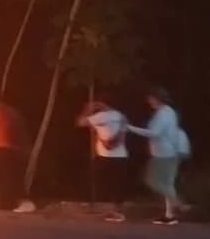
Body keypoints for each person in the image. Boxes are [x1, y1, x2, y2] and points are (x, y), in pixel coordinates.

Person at [128, 86, 190, 225]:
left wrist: (130, 128)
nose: (149, 101)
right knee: (167, 183)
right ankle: (170, 216)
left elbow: (154, 133)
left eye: (150, 99)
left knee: (152, 180)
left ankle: (179, 204)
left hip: (164, 154)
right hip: (167, 152)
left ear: (157, 98)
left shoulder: (164, 113)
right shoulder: (166, 112)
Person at [77, 98, 130, 222]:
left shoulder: (102, 116)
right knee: (117, 185)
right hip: (121, 154)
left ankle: (96, 206)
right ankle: (116, 211)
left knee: (96, 179)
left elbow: (80, 122)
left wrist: (88, 109)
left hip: (105, 155)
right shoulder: (120, 116)